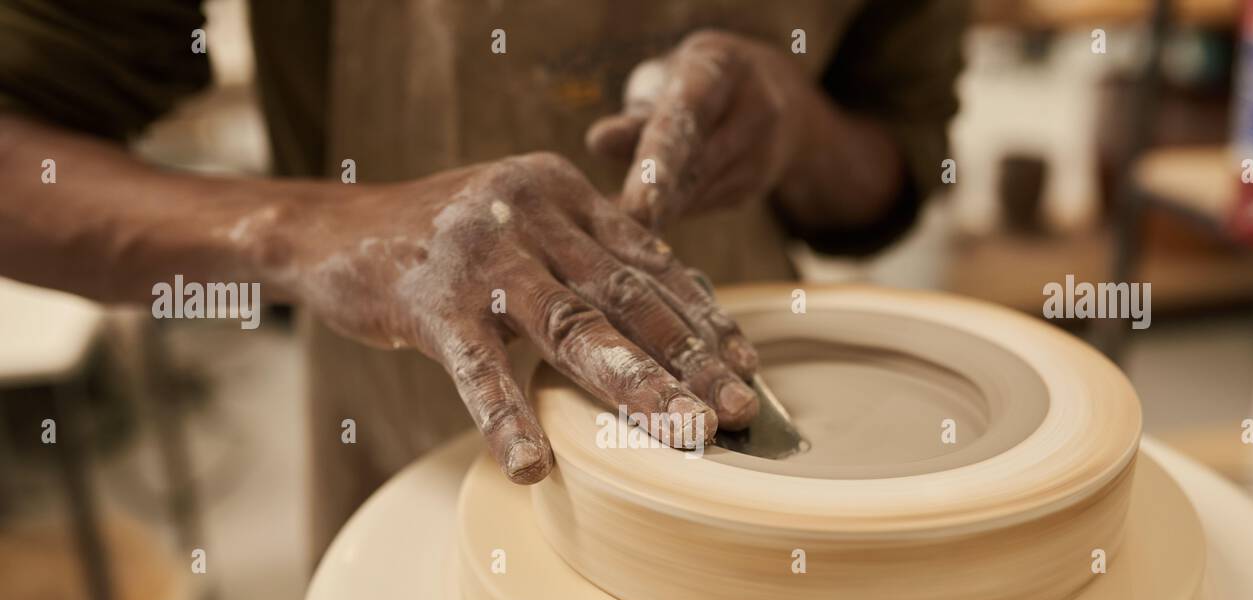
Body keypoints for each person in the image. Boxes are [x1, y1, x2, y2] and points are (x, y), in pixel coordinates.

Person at [0, 0, 965, 559]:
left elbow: (900, 150)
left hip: (742, 390)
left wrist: (802, 128)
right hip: (403, 413)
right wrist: (315, 227)